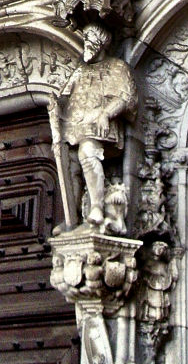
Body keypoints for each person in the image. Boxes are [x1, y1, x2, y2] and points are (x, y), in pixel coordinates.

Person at [49, 22, 137, 227]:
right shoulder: (80, 70)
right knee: (69, 163)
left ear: (101, 43)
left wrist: (106, 113)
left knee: (88, 151)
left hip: (99, 125)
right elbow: (65, 94)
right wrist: (55, 103)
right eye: (86, 40)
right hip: (74, 126)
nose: (86, 45)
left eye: (90, 40)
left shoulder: (117, 67)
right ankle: (72, 218)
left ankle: (97, 206)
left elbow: (126, 97)